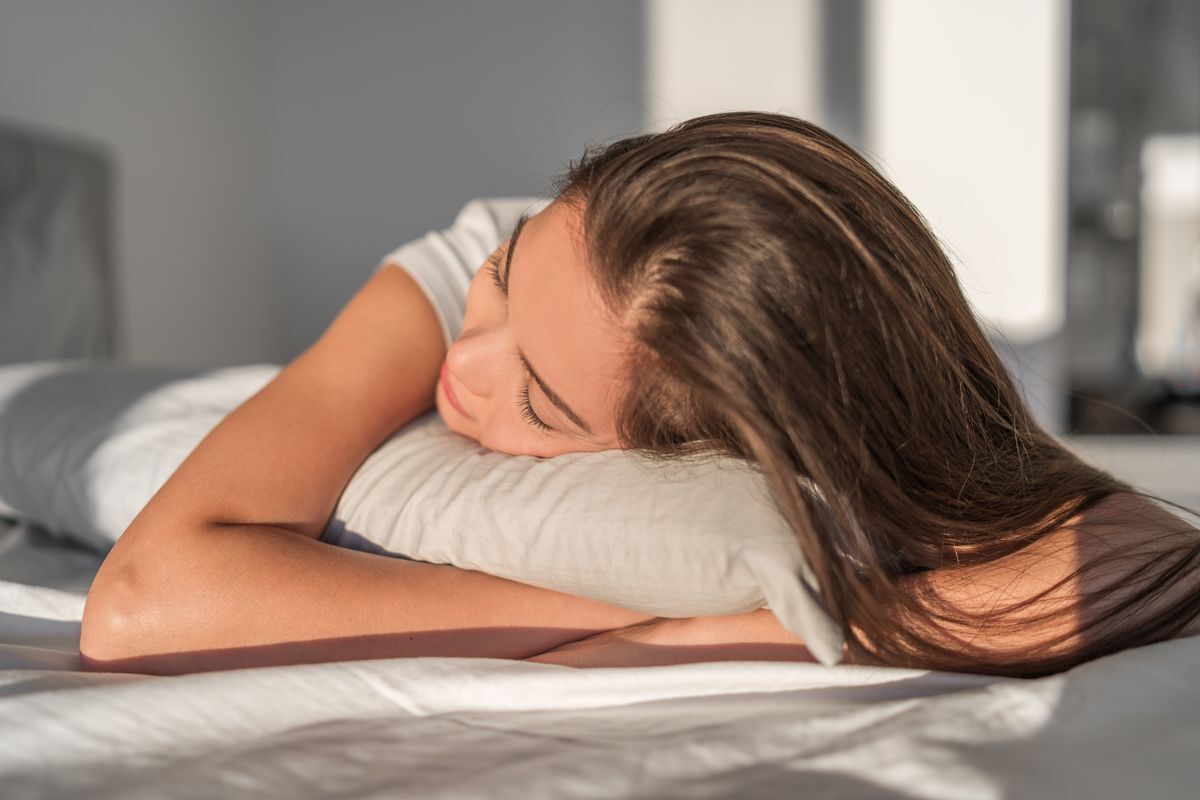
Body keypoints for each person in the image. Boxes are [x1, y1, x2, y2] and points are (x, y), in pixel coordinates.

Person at [80, 112, 1200, 677]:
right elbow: (139, 604)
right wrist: (646, 626)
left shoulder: (799, 409)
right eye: (505, 277)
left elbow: (1146, 551)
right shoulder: (447, 282)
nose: (467, 364)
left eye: (540, 404)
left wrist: (812, 618)